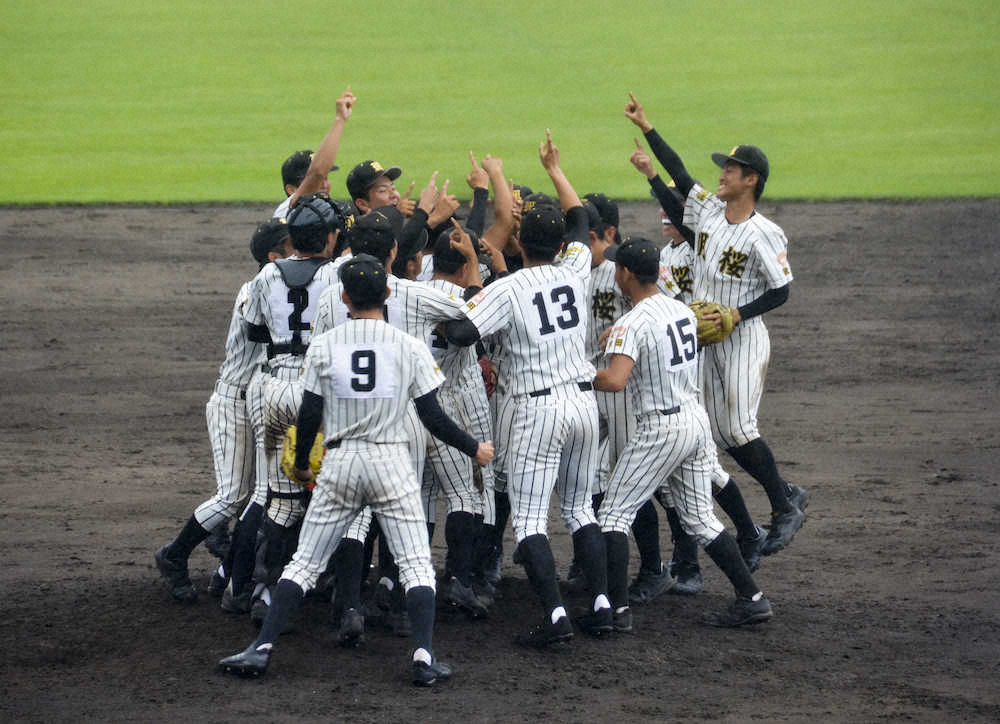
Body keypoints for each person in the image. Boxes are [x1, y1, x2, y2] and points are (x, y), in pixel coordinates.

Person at [217, 255, 494, 687]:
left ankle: (262, 648)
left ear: (344, 297)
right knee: (417, 565)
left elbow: (310, 414)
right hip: (391, 463)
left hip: (341, 463)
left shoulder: (324, 346)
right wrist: (473, 447)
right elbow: (432, 416)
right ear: (386, 294)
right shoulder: (409, 347)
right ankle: (423, 656)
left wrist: (306, 457)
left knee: (305, 563)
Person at [444, 131, 611, 647]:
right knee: (582, 508)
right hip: (584, 403)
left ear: (517, 244)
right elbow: (581, 219)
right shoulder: (577, 269)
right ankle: (604, 606)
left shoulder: (510, 286)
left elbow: (460, 333)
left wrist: (475, 284)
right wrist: (555, 170)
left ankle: (556, 617)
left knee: (532, 519)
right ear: (561, 244)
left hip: (536, 411)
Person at [624, 92, 808, 555]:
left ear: (751, 180)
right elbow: (680, 175)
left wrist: (737, 315)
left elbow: (782, 289)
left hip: (743, 338)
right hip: (705, 337)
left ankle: (785, 504)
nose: (721, 174)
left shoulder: (763, 233)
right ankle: (762, 516)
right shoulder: (708, 212)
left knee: (737, 430)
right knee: (710, 433)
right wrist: (648, 132)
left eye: (730, 169)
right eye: (722, 167)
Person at [595, 236, 773, 629]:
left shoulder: (631, 323)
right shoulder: (680, 310)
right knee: (699, 519)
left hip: (661, 428)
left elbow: (615, 381)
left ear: (624, 274)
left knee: (612, 515)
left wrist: (579, 374)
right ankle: (752, 598)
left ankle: (616, 613)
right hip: (694, 423)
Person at [154, 219, 292, 602]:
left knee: (259, 495)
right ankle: (174, 554)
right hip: (235, 402)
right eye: (290, 246)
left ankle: (231, 575)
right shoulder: (256, 289)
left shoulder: (282, 286)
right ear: (272, 256)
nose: (298, 252)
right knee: (233, 495)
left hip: (261, 400)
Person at [273, 150, 338, 219]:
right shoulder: (285, 217)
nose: (324, 185)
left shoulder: (330, 206)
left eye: (325, 178)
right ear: (291, 190)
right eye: (315, 181)